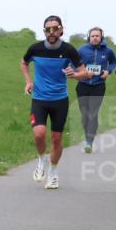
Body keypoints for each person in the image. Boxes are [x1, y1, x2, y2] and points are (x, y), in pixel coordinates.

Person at [20, 15, 87, 189]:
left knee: (56, 139)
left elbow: (85, 73)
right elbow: (24, 63)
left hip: (60, 101)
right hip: (39, 99)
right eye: (47, 29)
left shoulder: (69, 50)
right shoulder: (35, 48)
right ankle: (41, 160)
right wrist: (28, 81)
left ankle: (53, 172)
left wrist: (75, 75)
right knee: (39, 134)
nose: (51, 32)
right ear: (44, 31)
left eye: (55, 28)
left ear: (61, 30)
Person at [76, 27, 116, 152]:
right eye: (92, 36)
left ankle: (89, 142)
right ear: (89, 37)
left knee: (93, 113)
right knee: (84, 115)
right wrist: (81, 72)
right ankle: (87, 136)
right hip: (83, 85)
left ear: (101, 37)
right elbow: (73, 63)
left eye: (97, 36)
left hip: (98, 86)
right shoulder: (82, 50)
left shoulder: (108, 51)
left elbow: (113, 62)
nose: (95, 38)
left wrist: (108, 71)